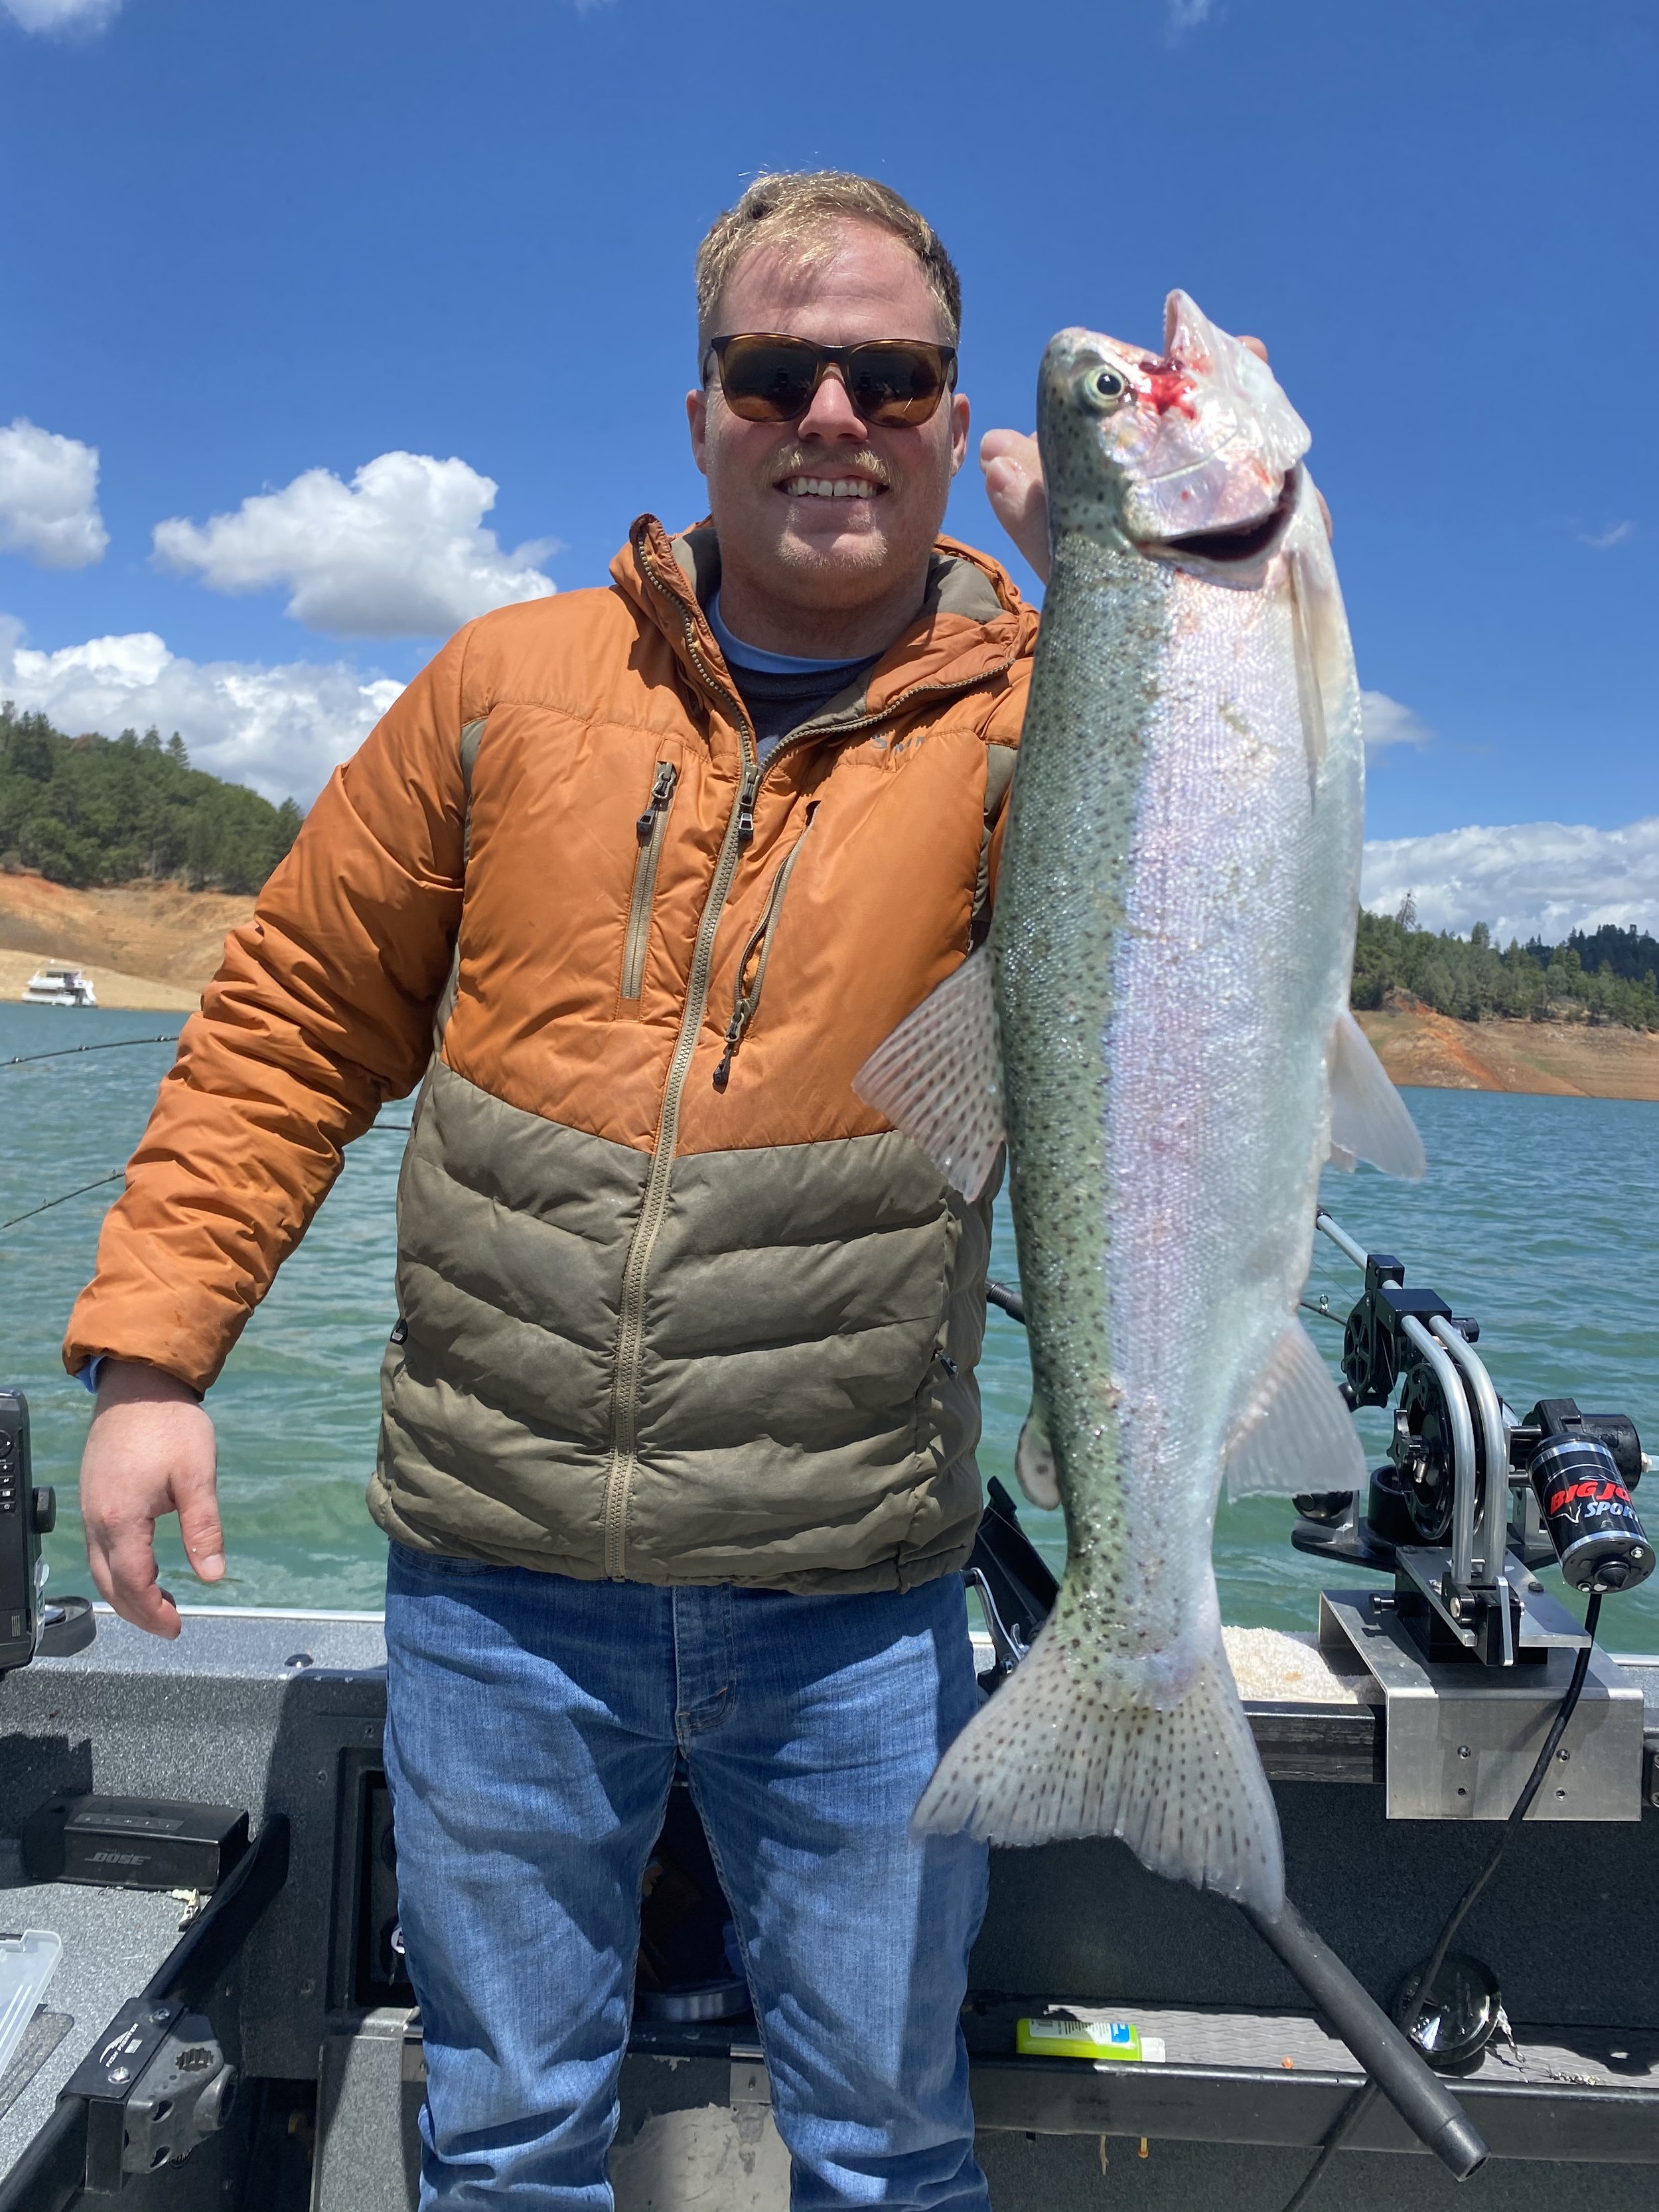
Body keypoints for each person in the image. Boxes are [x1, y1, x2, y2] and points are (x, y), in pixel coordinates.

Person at [63, 171, 1163, 2208]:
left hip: (857, 1600)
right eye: (776, 367)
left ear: (946, 418)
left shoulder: (1045, 717)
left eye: (893, 373)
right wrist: (150, 1357)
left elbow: (1192, 946)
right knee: (500, 2139)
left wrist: (1127, 596)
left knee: (890, 2149)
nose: (832, 412)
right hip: (495, 1587)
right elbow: (293, 1020)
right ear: (700, 415)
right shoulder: (504, 685)